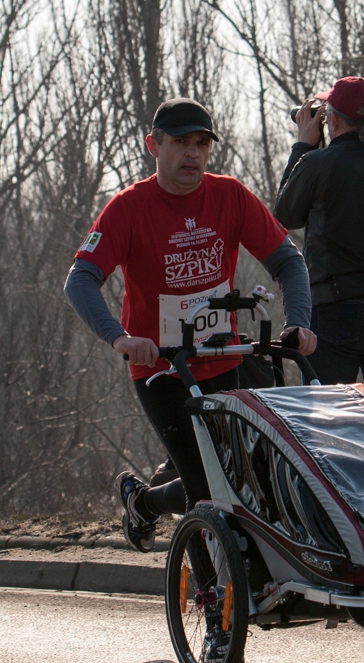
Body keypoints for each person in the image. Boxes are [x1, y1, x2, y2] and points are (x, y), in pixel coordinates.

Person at [65, 97, 316, 558]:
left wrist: (298, 320)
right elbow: (80, 279)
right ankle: (212, 605)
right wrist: (119, 337)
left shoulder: (230, 195)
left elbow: (288, 261)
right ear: (153, 146)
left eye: (201, 143)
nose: (193, 154)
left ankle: (145, 501)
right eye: (181, 143)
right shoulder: (128, 208)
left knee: (240, 472)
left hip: (220, 357)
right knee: (205, 485)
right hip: (161, 366)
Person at [274, 76, 364, 427]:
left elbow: (284, 215)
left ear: (332, 120)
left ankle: (327, 485)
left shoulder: (317, 164)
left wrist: (303, 146)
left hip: (337, 306)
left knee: (326, 417)